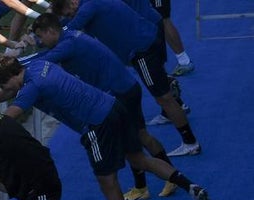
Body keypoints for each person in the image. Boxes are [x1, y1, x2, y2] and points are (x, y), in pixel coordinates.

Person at [0, 55, 207, 200]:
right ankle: (190, 186)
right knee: (140, 160)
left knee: (108, 183)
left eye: (4, 85)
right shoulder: (38, 65)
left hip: (96, 125)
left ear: (9, 78)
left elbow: (8, 117)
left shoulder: (31, 87)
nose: (6, 91)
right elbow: (10, 92)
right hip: (112, 107)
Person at [27, 13, 182, 200]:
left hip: (120, 92)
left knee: (138, 138)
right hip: (123, 88)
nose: (40, 41)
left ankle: (169, 177)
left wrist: (10, 61)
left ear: (50, 30)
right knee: (133, 139)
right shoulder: (69, 35)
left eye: (40, 36)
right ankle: (143, 186)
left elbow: (41, 62)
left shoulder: (66, 45)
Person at [50, 0, 201, 157]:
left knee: (163, 98)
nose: (70, 16)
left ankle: (190, 142)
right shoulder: (85, 5)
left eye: (69, 13)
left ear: (72, 2)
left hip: (142, 51)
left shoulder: (88, 7)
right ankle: (172, 99)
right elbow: (69, 22)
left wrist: (41, 36)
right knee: (161, 86)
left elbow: (68, 30)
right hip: (148, 37)